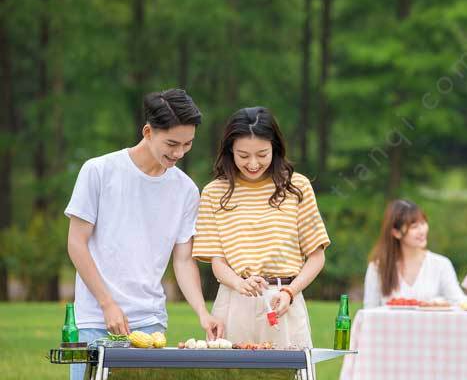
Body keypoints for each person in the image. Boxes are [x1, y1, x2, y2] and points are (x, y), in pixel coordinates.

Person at [65, 89, 224, 379]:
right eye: (172, 143)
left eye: (188, 144)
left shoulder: (186, 191)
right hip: (95, 319)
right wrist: (107, 304)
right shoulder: (99, 171)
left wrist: (203, 312)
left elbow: (183, 260)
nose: (179, 153)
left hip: (150, 323)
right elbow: (76, 243)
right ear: (148, 132)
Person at [192, 106, 330, 348]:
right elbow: (217, 261)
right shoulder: (214, 192)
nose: (253, 164)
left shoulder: (296, 187)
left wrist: (290, 292)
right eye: (243, 156)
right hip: (234, 301)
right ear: (229, 151)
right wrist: (239, 283)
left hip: (285, 300)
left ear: (275, 148)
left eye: (262, 154)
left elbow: (317, 257)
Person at [363, 199, 466, 308]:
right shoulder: (378, 267)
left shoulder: (441, 264)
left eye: (423, 223)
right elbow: (370, 310)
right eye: (414, 227)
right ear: (396, 233)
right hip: (390, 325)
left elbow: (459, 302)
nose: (422, 231)